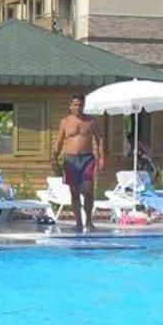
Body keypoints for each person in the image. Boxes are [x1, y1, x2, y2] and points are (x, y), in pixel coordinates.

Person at [52, 94, 105, 233]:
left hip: (87, 159)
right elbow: (58, 142)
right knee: (74, 192)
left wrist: (102, 158)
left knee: (88, 191)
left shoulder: (91, 121)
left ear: (84, 106)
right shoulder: (65, 122)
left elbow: (99, 139)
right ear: (70, 106)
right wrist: (54, 158)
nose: (78, 107)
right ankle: (78, 223)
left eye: (80, 105)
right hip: (70, 160)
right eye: (75, 105)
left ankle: (89, 222)